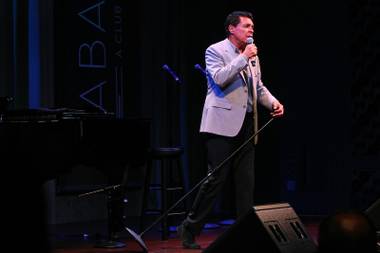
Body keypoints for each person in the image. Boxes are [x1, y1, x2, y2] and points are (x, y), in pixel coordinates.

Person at [177, 10, 284, 249]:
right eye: (246, 26)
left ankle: (245, 234)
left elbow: (259, 87)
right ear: (231, 28)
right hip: (221, 125)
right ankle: (190, 227)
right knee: (216, 179)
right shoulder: (215, 50)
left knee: (246, 183)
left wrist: (274, 102)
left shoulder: (252, 55)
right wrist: (244, 57)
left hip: (248, 124)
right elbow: (219, 78)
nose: (251, 30)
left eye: (252, 27)